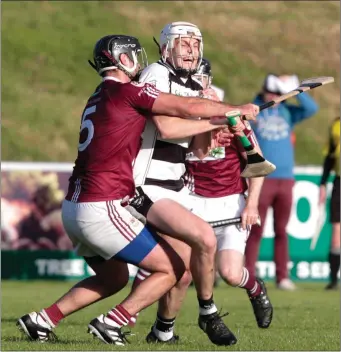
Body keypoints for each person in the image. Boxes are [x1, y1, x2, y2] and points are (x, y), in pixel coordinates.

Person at [17, 34, 259, 345]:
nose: (139, 63)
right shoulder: (128, 92)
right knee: (172, 267)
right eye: (134, 55)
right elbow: (184, 106)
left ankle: (42, 320)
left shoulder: (97, 96)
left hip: (73, 208)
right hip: (101, 206)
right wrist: (233, 109)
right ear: (121, 58)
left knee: (113, 277)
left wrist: (213, 120)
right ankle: (112, 322)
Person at [129, 21, 258, 346]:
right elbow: (167, 129)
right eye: (183, 43)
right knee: (197, 244)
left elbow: (199, 146)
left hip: (170, 189)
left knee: (181, 270)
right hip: (146, 186)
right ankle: (207, 311)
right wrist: (220, 114)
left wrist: (227, 124)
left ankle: (162, 332)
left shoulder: (186, 85)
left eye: (195, 44)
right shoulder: (156, 75)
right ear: (165, 48)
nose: (190, 49)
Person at [185, 58, 273, 330]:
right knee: (180, 273)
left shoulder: (236, 124)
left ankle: (255, 288)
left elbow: (257, 166)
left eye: (202, 82)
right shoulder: (177, 122)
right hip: (192, 206)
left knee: (231, 274)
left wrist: (252, 205)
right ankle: (162, 328)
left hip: (230, 206)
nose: (200, 89)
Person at [244, 73, 319, 290]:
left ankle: (282, 276)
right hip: (263, 178)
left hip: (285, 178)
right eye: (273, 92)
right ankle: (248, 274)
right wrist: (264, 101)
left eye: (279, 93)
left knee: (281, 230)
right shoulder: (258, 108)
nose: (276, 96)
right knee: (255, 228)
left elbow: (311, 109)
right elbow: (247, 115)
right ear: (265, 92)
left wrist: (297, 90)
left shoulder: (288, 111)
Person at [319, 116, 340, 290]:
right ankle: (333, 280)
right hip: (339, 182)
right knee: (336, 231)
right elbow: (330, 156)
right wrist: (323, 183)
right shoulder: (336, 125)